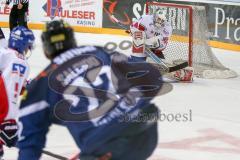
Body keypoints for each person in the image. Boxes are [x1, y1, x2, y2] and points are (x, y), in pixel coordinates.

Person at [17, 20, 166, 160]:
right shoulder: (99, 51)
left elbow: (30, 143)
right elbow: (152, 78)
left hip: (106, 143)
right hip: (146, 129)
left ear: (46, 50)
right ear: (72, 40)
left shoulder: (42, 83)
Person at [0, 26, 35, 158]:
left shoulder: (5, 54)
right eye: (28, 46)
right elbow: (9, 91)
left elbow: (13, 86)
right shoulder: (21, 62)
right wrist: (7, 121)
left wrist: (27, 85)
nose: (28, 49)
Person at [130, 13, 193, 82]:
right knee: (136, 60)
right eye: (159, 19)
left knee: (157, 63)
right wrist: (136, 35)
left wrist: (148, 43)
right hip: (142, 40)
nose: (160, 22)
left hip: (156, 45)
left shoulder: (167, 28)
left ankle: (180, 73)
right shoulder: (145, 19)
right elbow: (133, 27)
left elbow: (162, 44)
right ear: (154, 17)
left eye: (162, 20)